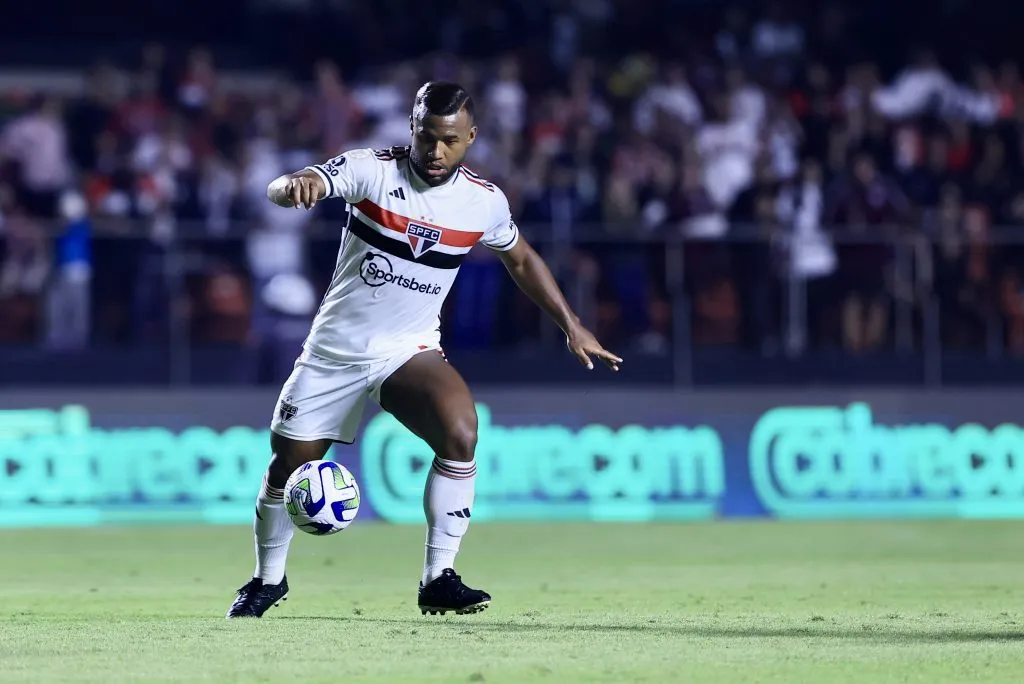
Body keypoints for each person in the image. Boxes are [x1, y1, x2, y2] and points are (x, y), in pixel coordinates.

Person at [226, 82, 621, 619]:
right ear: (411, 129)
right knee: (286, 469)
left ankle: (439, 577)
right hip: (333, 352)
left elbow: (522, 259)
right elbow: (299, 182)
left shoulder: (482, 202)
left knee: (461, 429)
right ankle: (267, 581)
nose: (437, 152)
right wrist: (293, 184)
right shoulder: (372, 170)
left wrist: (572, 324)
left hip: (406, 350)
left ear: (471, 138)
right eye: (428, 137)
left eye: (451, 141)